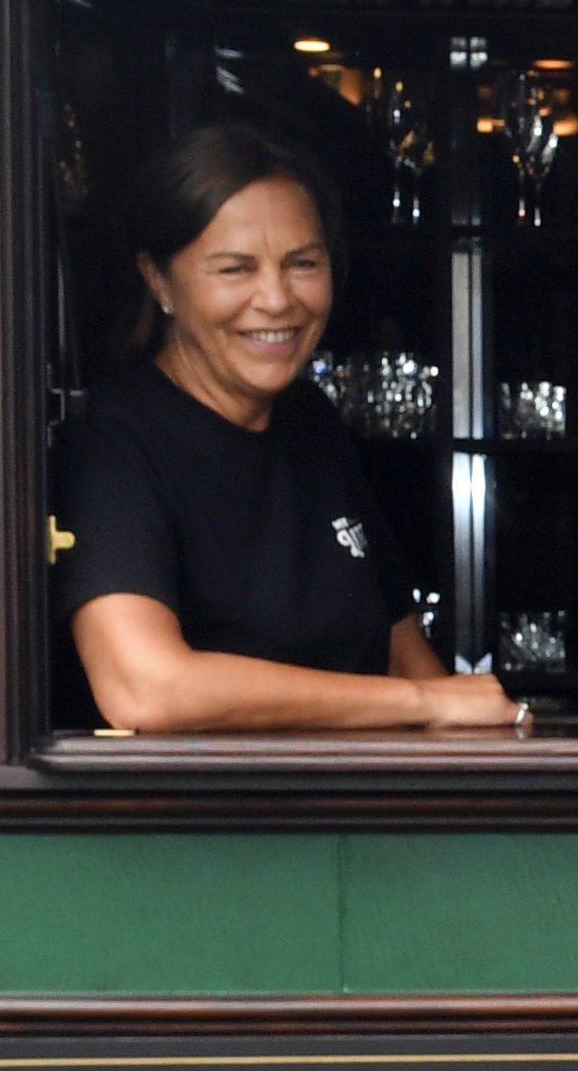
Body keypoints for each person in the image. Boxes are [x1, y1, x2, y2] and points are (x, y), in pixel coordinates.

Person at [49, 121, 517, 736]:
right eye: (234, 269)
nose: (276, 299)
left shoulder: (311, 423)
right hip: (195, 825)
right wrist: (424, 704)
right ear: (159, 280)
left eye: (302, 263)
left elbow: (405, 658)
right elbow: (146, 690)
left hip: (352, 819)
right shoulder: (113, 444)